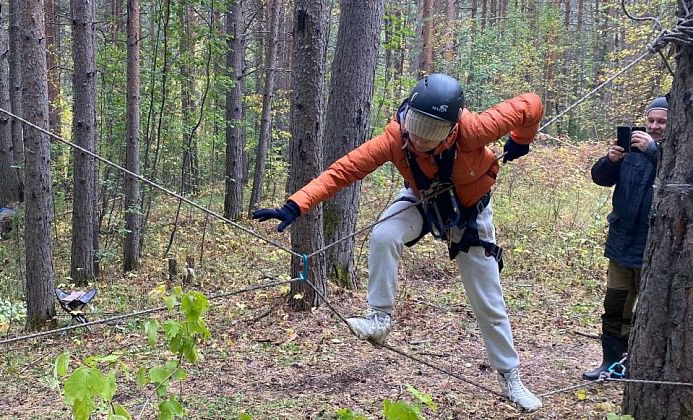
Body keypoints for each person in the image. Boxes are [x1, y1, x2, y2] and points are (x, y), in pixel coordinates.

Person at [252, 74, 544, 411]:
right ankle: (379, 319)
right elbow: (344, 170)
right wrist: (296, 204)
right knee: (383, 234)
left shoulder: (475, 129)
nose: (419, 140)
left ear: (451, 129)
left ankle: (510, 376)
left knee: (487, 299)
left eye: (430, 133)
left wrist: (523, 139)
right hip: (422, 200)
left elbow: (531, 105)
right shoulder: (395, 138)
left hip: (470, 212)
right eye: (416, 127)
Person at [582, 96, 668, 380]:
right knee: (615, 305)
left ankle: (637, 366)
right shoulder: (631, 150)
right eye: (651, 121)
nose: (654, 127)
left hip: (654, 247)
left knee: (647, 309)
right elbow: (600, 178)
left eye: (661, 122)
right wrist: (610, 160)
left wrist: (655, 151)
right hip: (621, 242)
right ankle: (610, 363)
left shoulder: (675, 153)